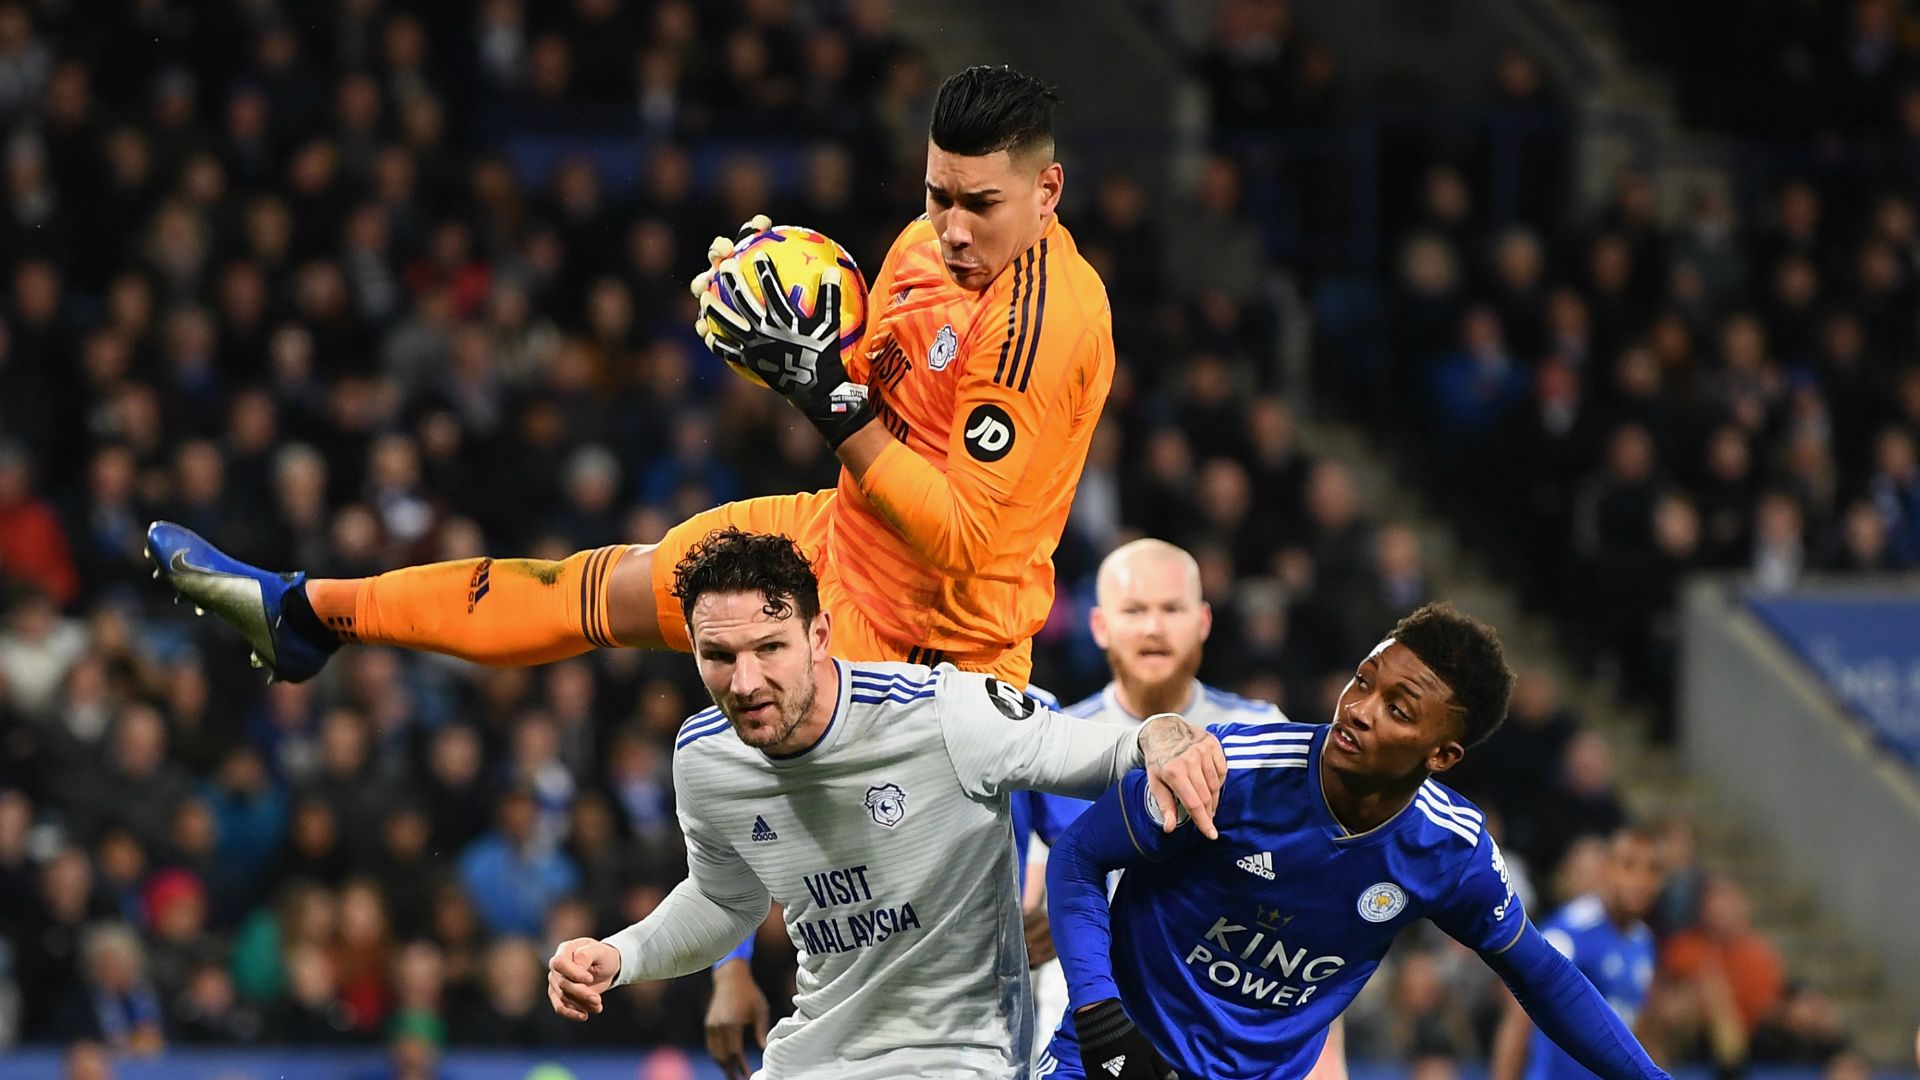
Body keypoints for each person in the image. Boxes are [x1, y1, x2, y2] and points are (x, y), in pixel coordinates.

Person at [146, 64, 1112, 690]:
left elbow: (961, 536)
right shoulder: (923, 246)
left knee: (752, 772)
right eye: (937, 194)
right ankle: (305, 613)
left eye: (979, 205)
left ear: (1047, 191)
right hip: (842, 542)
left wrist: (823, 399)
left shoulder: (1045, 323)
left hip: (937, 645)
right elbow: (874, 381)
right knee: (598, 589)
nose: (950, 228)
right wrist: (784, 325)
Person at [542, 528, 1225, 1080]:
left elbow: (1104, 752)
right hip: (809, 1055)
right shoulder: (705, 757)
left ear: (818, 637)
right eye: (717, 656)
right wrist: (620, 955)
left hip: (958, 1057)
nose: (744, 682)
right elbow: (726, 900)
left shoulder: (941, 714)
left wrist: (1161, 735)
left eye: (769, 648)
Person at [1039, 604, 1670, 1080]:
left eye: (1398, 709)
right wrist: (1101, 1017)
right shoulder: (1231, 768)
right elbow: (1080, 855)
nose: (1359, 709)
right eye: (1364, 681)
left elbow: (1544, 977)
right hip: (1116, 1058)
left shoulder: (1450, 850)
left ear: (1442, 754)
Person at [1490, 827, 1664, 1080]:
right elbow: (1517, 1023)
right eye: (1628, 865)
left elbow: (1636, 1030)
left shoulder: (1644, 942)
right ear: (1606, 870)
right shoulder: (1570, 932)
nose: (1640, 880)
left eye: (1652, 870)